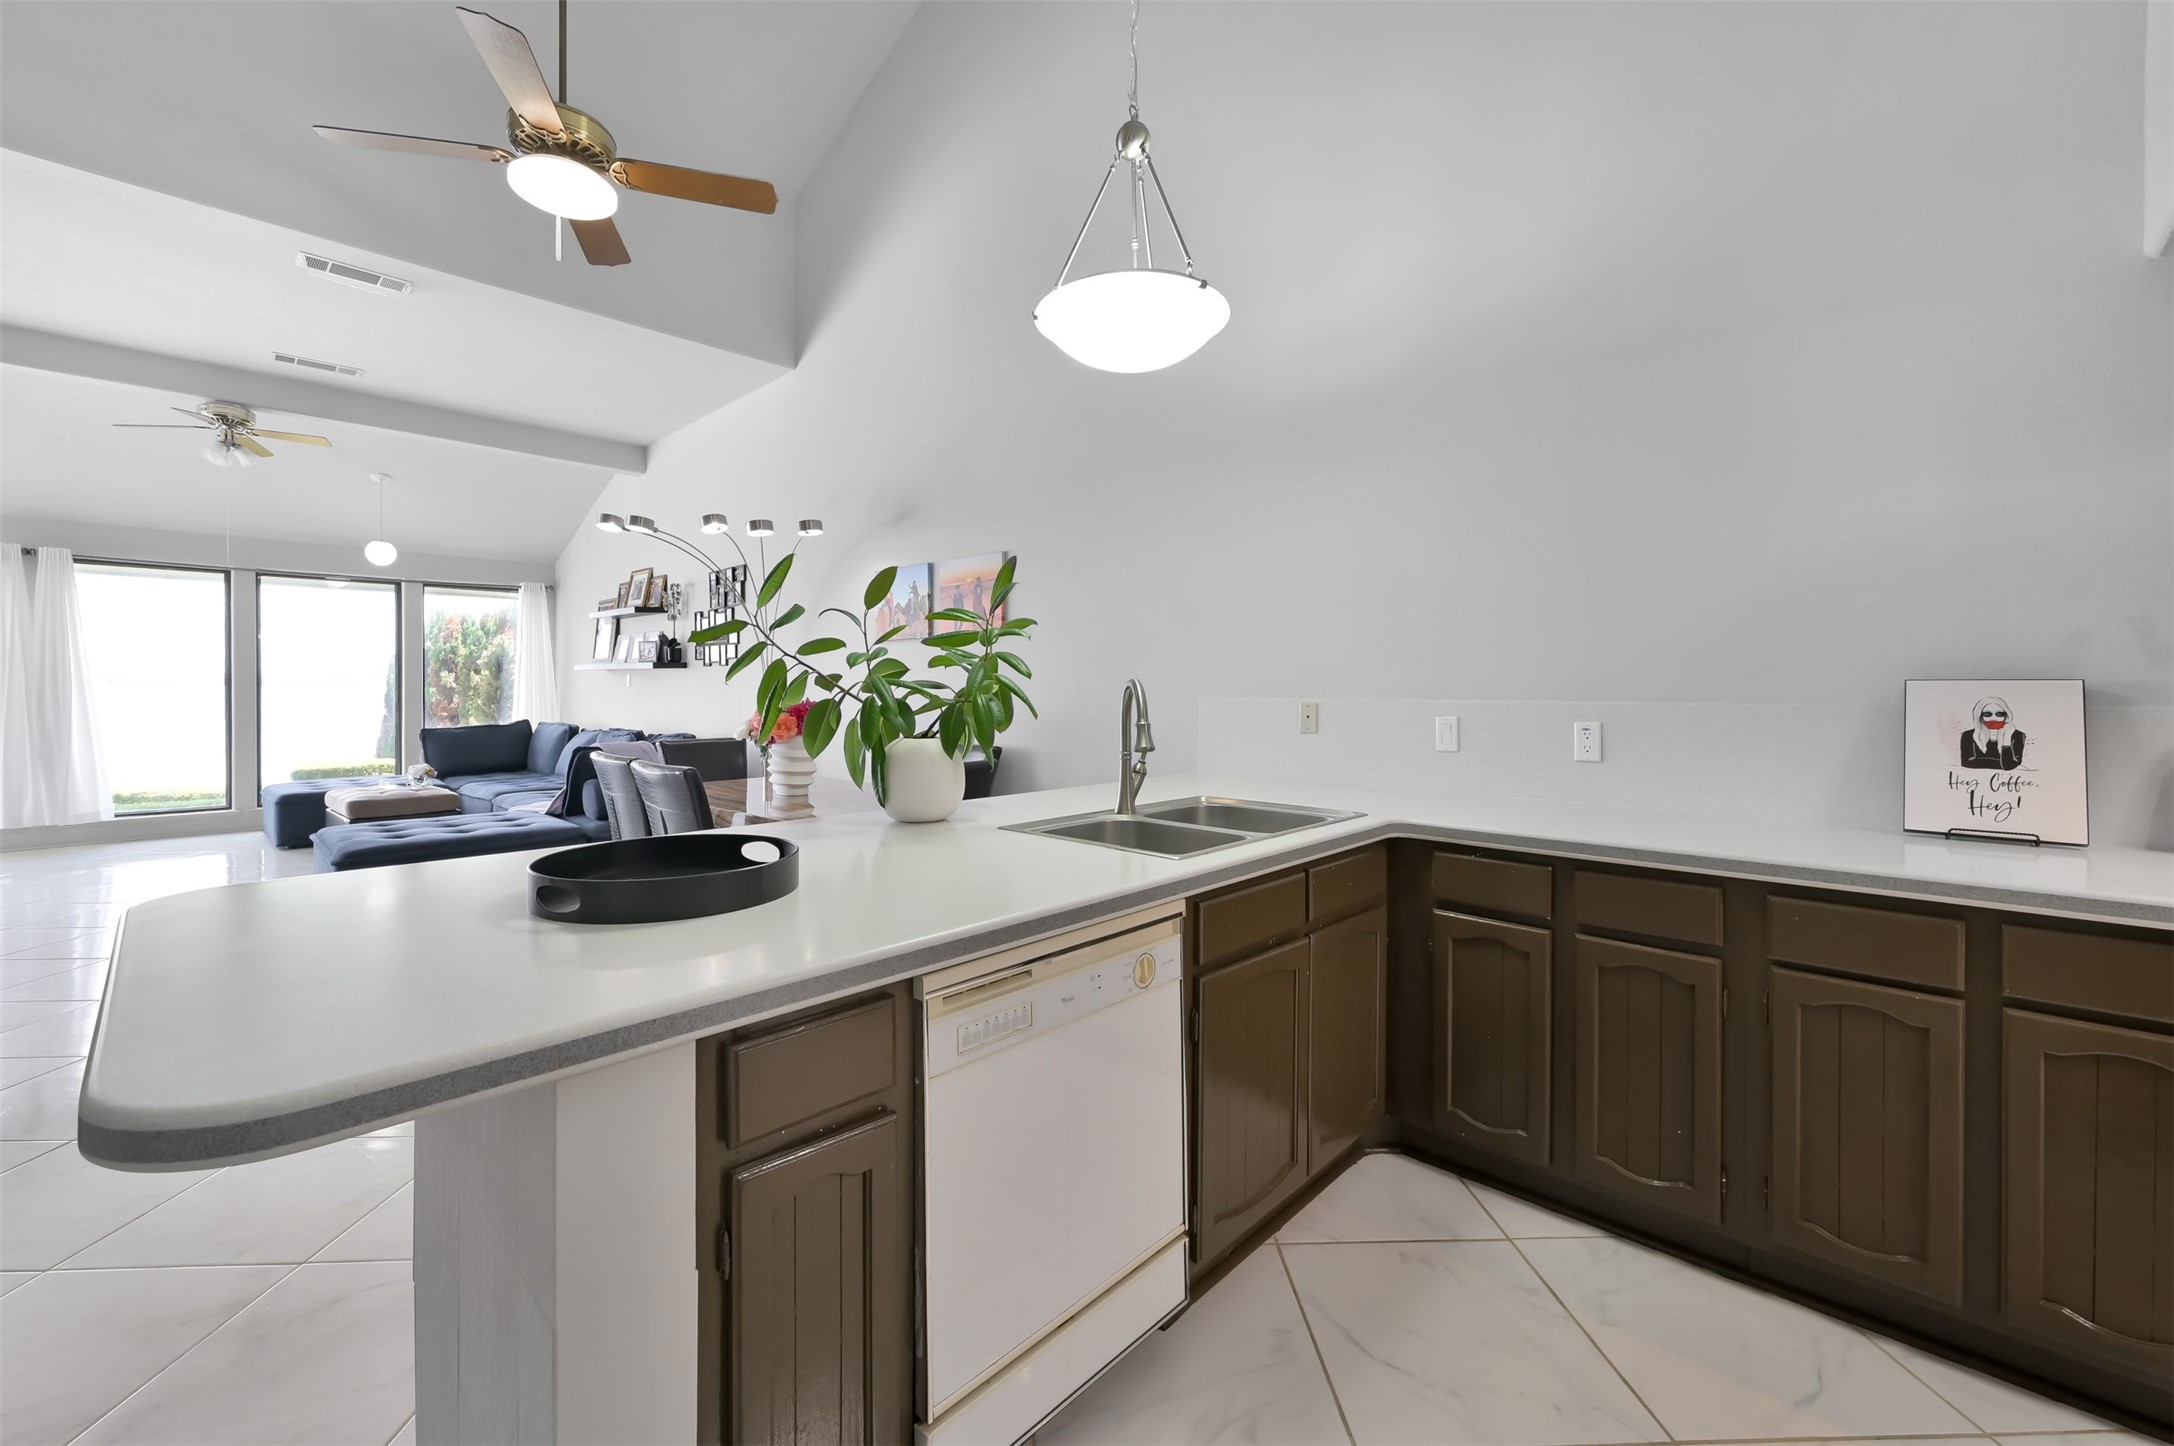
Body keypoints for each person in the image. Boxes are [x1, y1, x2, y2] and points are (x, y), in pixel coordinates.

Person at [1959, 696, 2026, 770]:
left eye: (1999, 714)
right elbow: (1966, 762)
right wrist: (2001, 763)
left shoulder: (2018, 735)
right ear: (1980, 716)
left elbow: (2009, 765)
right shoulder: (1968, 735)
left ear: (2006, 715)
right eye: (1988, 714)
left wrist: (2006, 737)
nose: (1994, 718)